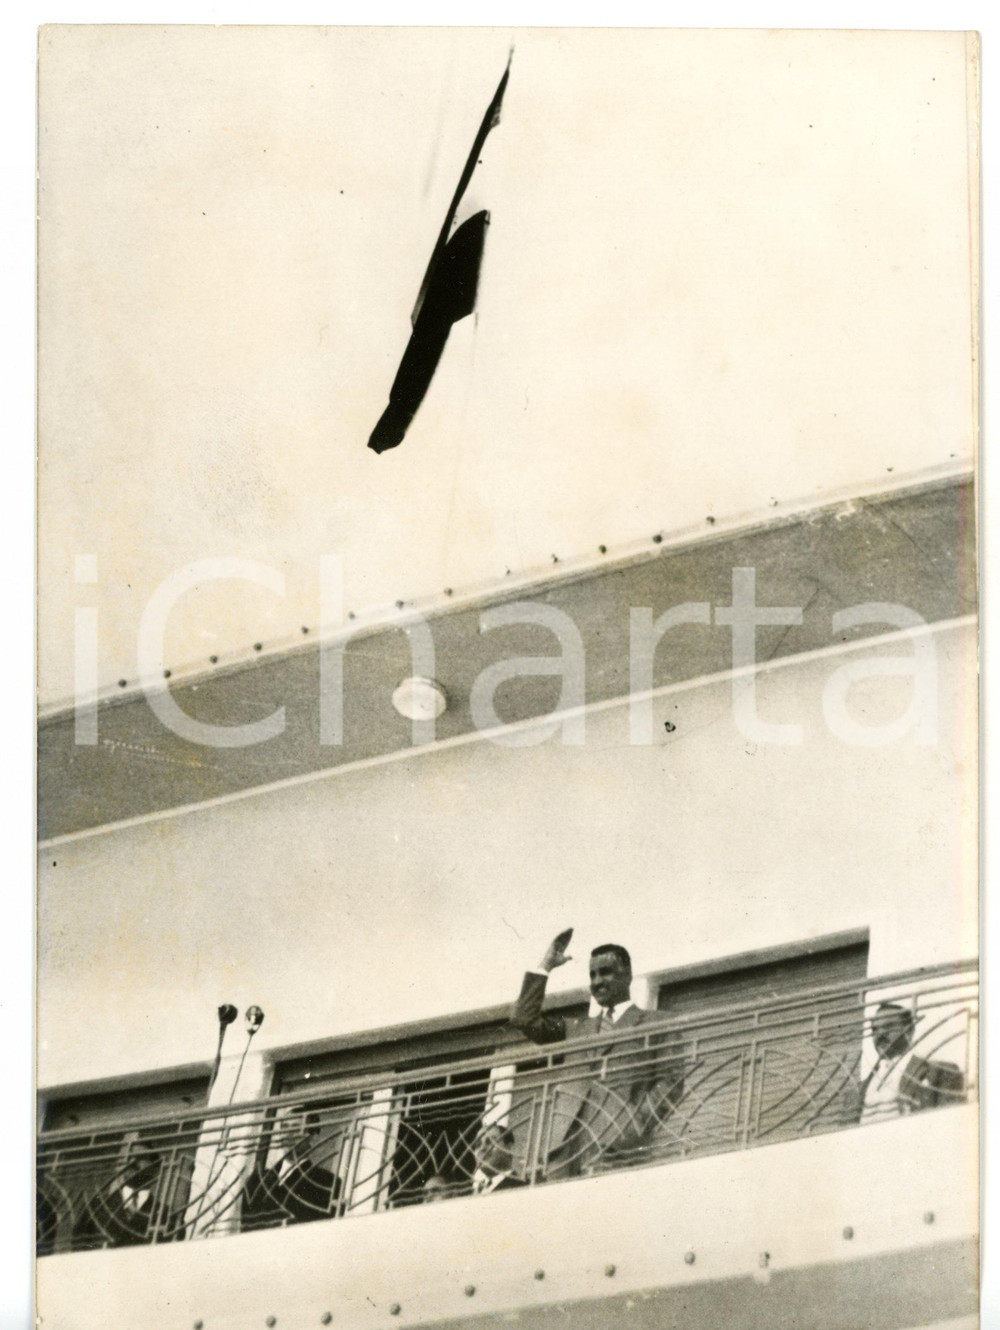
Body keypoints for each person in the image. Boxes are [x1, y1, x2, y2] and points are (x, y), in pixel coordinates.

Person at [511, 930, 683, 1178]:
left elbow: (672, 1081)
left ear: (628, 975)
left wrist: (634, 1126)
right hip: (564, 1147)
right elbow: (524, 1019)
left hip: (616, 1144)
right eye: (592, 975)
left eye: (606, 972)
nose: (597, 981)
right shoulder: (577, 1028)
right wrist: (545, 966)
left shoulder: (656, 1022)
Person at [860, 1001, 965, 1123]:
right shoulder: (860, 1088)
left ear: (909, 1032)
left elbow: (950, 1124)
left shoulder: (940, 1072)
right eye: (875, 1029)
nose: (880, 1034)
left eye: (889, 1026)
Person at [241, 1104, 342, 1230]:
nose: (288, 1135)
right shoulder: (257, 1180)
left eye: (296, 1129)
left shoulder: (327, 1183)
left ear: (312, 1137)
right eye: (285, 1128)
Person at [70, 1142, 170, 1249]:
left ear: (155, 1170)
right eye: (129, 1157)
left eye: (141, 1157)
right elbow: (78, 1249)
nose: (132, 1162)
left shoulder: (165, 1215)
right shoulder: (96, 1207)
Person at [472, 1125, 527, 1196]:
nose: (482, 1148)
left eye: (490, 1142)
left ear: (509, 1148)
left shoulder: (522, 1190)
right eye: (478, 1144)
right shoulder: (473, 1189)